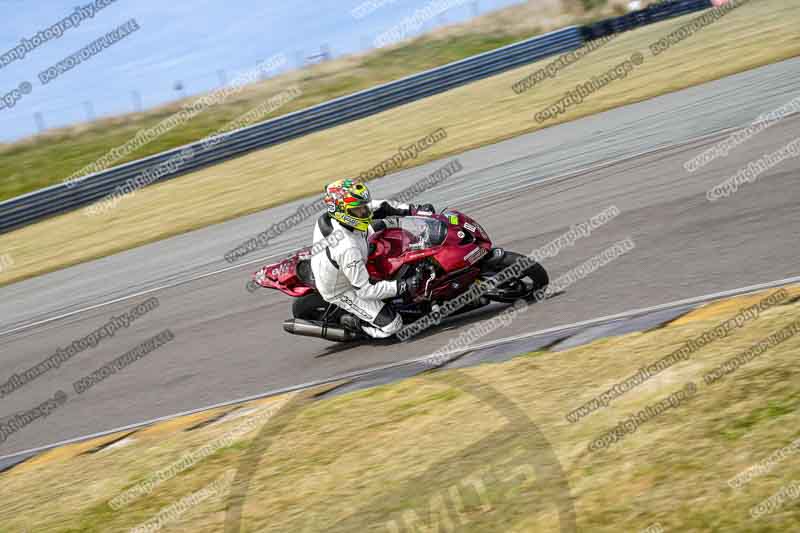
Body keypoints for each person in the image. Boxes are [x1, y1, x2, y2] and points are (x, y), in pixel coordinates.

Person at [309, 178, 435, 338]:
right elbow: (364, 290)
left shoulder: (344, 215)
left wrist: (414, 210)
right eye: (359, 210)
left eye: (364, 206)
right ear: (341, 210)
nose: (365, 212)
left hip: (349, 254)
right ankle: (356, 324)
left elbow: (381, 206)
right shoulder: (347, 247)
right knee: (393, 325)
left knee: (388, 225)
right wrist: (402, 286)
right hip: (342, 288)